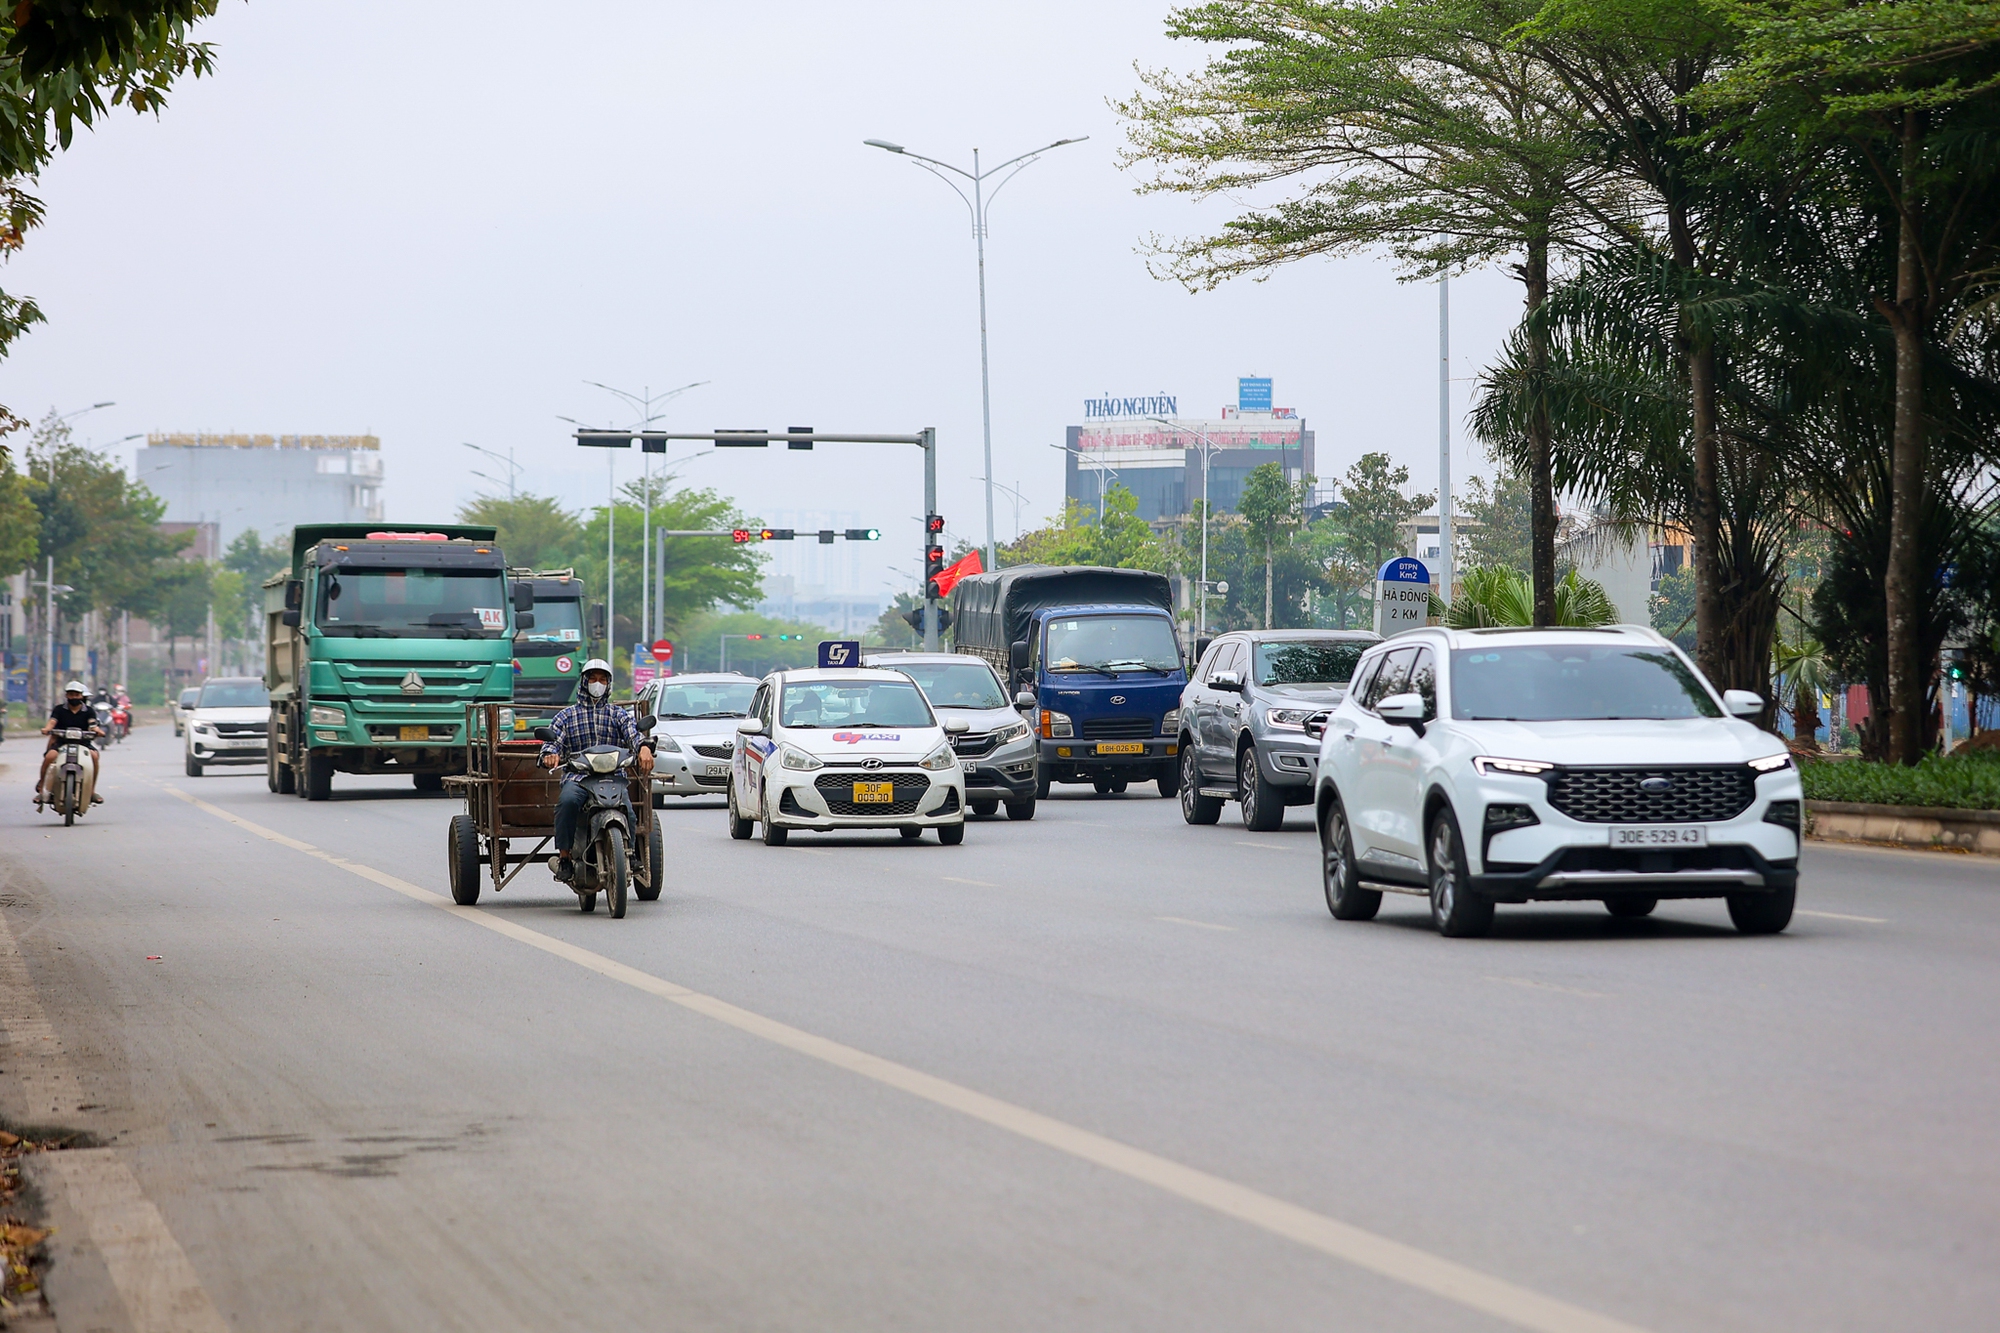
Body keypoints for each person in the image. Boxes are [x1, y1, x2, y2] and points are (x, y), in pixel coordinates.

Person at [538, 659, 654, 881]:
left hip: (614, 777)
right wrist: (550, 754)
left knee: (628, 809)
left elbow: (634, 735)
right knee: (567, 802)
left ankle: (629, 853)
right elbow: (552, 743)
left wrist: (644, 748)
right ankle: (564, 858)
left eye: (602, 679)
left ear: (608, 684)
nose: (597, 684)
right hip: (579, 778)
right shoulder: (567, 716)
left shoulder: (618, 714)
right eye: (592, 679)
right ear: (584, 682)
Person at [38, 681, 105, 809]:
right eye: (71, 694)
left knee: (94, 757)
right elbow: (52, 721)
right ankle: (42, 789)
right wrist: (47, 728)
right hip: (62, 743)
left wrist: (97, 731)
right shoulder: (59, 709)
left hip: (83, 743)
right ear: (66, 696)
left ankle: (91, 791)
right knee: (49, 757)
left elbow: (92, 724)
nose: (74, 697)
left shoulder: (89, 711)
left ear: (81, 696)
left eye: (77, 694)